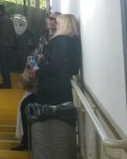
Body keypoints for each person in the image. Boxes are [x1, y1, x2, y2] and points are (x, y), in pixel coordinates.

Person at [26, 14, 81, 158]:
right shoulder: (74, 41)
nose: (54, 24)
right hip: (63, 86)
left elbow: (54, 64)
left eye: (57, 22)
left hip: (52, 87)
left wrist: (37, 71)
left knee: (39, 118)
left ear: (64, 24)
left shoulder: (60, 40)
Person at [11, 12, 60, 151]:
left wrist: (36, 67)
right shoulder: (46, 36)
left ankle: (26, 140)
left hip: (42, 78)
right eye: (50, 18)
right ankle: (25, 139)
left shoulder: (54, 39)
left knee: (24, 105)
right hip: (37, 75)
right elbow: (37, 55)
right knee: (24, 104)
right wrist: (33, 63)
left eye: (54, 19)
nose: (51, 21)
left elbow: (48, 60)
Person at [0, 4, 16, 89]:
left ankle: (6, 83)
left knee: (2, 64)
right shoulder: (8, 19)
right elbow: (13, 33)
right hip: (8, 45)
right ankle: (7, 81)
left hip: (1, 45)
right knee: (6, 64)